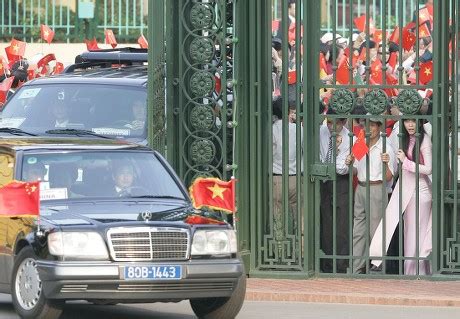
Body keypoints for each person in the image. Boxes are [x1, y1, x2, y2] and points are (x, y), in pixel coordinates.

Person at [370, 118, 432, 275]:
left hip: (421, 192)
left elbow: (429, 169)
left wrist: (406, 162)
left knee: (416, 234)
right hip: (406, 190)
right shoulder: (405, 139)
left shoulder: (424, 140)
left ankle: (417, 272)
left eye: (413, 121)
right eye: (406, 121)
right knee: (409, 233)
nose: (410, 124)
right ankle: (410, 271)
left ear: (419, 121)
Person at [345, 117, 396, 274]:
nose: (368, 129)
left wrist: (386, 162)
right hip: (360, 187)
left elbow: (389, 176)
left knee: (376, 229)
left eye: (372, 125)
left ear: (379, 127)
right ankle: (357, 265)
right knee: (358, 229)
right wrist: (349, 162)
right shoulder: (361, 143)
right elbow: (354, 169)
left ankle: (378, 265)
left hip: (376, 188)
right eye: (365, 125)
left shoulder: (385, 145)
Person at [319, 109, 350, 273]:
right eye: (329, 122)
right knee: (326, 223)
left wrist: (336, 153)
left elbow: (343, 168)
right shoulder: (320, 132)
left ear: (343, 122)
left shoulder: (348, 137)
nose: (331, 126)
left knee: (342, 224)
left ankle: (341, 263)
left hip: (341, 182)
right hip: (324, 181)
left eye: (336, 123)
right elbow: (319, 158)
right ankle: (326, 263)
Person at [272, 97, 302, 231]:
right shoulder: (298, 129)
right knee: (296, 213)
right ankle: (296, 242)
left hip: (277, 177)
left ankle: (279, 246)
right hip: (295, 177)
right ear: (288, 111)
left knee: (278, 214)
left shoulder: (272, 129)